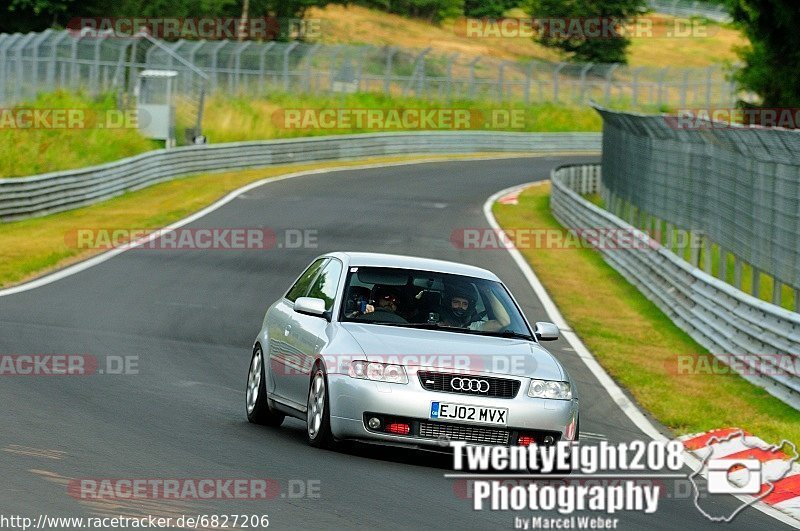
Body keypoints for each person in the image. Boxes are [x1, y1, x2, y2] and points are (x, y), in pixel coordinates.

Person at [438, 282, 510, 332]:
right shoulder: (435, 319)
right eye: (456, 302)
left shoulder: (474, 327)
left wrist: (488, 292)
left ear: (469, 306)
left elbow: (504, 322)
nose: (460, 307)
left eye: (465, 304)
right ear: (448, 303)